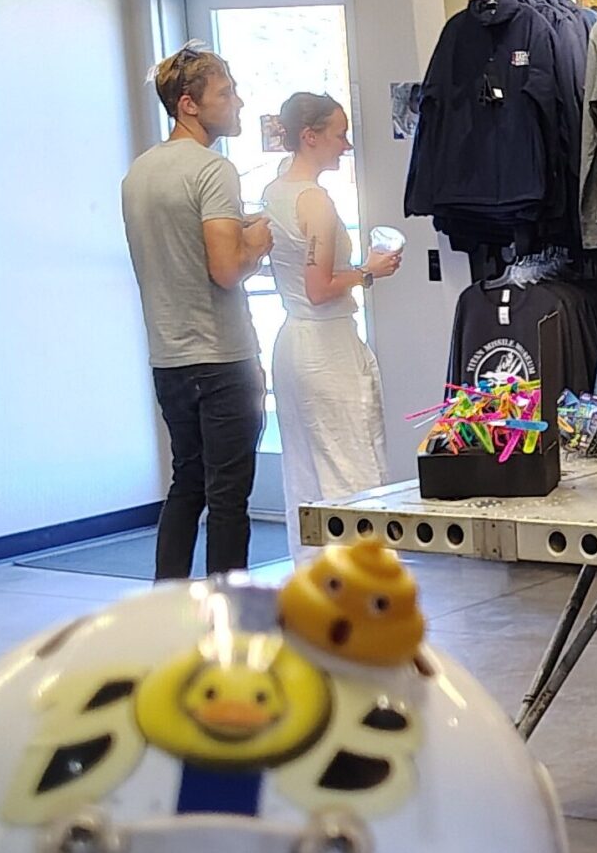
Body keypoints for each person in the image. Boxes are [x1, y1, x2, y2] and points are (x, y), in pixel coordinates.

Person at [123, 44, 270, 579]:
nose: (238, 102)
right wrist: (257, 244)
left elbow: (177, 246)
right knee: (229, 498)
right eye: (225, 94)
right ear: (189, 104)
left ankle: (167, 606)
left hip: (169, 357)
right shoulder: (213, 170)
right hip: (222, 357)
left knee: (187, 482)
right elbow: (226, 268)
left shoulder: (139, 173)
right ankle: (226, 611)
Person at [264, 91, 400, 558]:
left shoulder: (275, 190)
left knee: (306, 472)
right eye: (339, 135)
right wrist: (369, 271)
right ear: (310, 136)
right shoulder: (314, 201)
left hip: (297, 343)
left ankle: (317, 574)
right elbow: (319, 287)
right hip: (325, 346)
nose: (346, 145)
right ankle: (361, 577)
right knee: (350, 464)